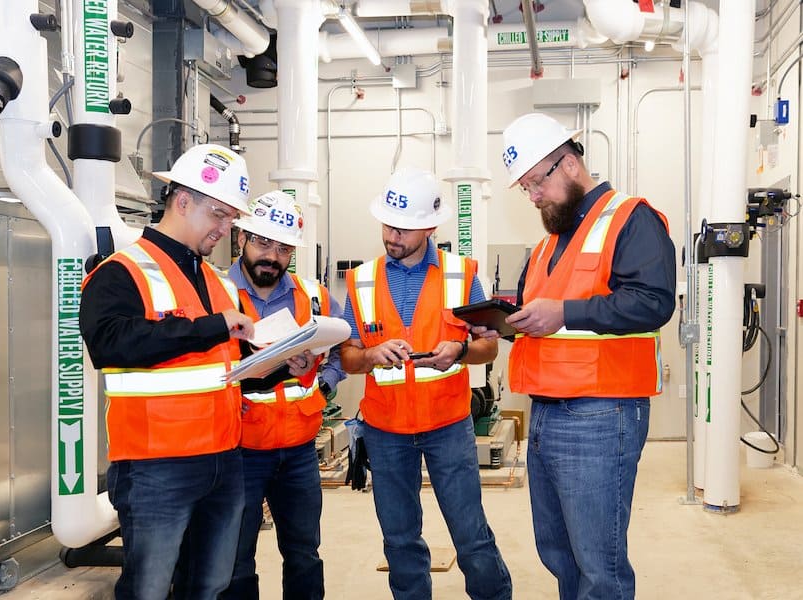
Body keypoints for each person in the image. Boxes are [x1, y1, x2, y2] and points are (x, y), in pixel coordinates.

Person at [500, 112, 676, 600]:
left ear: (570, 164)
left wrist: (565, 313)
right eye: (525, 188)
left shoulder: (630, 217)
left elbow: (653, 301)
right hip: (546, 412)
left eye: (536, 183)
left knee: (600, 565)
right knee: (558, 552)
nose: (533, 196)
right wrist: (499, 322)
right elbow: (543, 315)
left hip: (602, 413)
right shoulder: (546, 245)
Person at [79, 143, 257, 600]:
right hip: (156, 464)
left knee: (211, 586)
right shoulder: (120, 272)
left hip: (224, 458)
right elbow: (110, 343)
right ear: (182, 201)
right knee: (149, 589)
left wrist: (287, 363)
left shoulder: (219, 282)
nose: (226, 228)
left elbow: (230, 368)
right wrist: (211, 327)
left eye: (231, 219)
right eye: (219, 215)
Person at [340, 167, 513, 600]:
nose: (392, 236)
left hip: (447, 425)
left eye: (403, 228)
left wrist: (459, 352)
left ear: (430, 227)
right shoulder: (361, 282)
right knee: (400, 540)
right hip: (385, 430)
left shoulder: (461, 274)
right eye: (387, 224)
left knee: (470, 534)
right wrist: (370, 355)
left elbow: (488, 349)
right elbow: (347, 357)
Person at [220, 191, 346, 600]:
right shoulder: (215, 293)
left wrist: (322, 381)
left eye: (283, 248)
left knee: (304, 554)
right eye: (263, 243)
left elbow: (342, 350)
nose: (271, 256)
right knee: (236, 559)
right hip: (239, 450)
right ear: (241, 238)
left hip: (298, 451)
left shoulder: (314, 297)